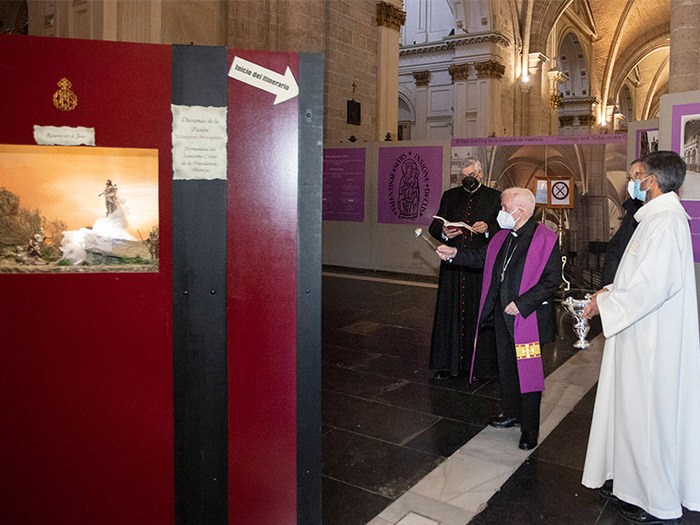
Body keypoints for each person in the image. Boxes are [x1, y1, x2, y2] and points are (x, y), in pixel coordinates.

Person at [581, 151, 700, 524]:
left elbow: (653, 287)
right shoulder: (653, 220)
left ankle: (651, 495)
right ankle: (626, 478)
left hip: (652, 340)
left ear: (653, 180)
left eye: (637, 175)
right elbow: (636, 277)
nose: (633, 181)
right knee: (629, 410)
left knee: (646, 415)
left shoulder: (665, 222)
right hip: (637, 330)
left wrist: (608, 305)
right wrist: (608, 293)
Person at [436, 187, 561, 449]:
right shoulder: (502, 237)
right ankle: (512, 413)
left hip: (527, 319)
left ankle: (529, 429)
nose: (500, 212)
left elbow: (551, 281)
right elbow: (482, 258)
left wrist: (522, 303)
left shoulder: (546, 238)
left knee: (528, 374)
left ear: (520, 211)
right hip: (502, 317)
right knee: (506, 368)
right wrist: (455, 254)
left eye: (504, 208)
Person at [428, 158, 501, 380]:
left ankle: (478, 367)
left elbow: (503, 228)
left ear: (480, 175)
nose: (467, 180)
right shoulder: (450, 196)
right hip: (453, 267)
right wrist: (444, 232)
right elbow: (434, 225)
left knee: (477, 315)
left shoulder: (494, 197)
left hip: (478, 267)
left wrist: (488, 228)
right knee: (449, 315)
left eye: (472, 176)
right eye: (463, 177)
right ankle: (448, 365)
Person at [601, 159, 645, 286]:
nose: (632, 182)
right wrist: (609, 286)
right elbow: (615, 248)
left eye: (637, 176)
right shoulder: (631, 212)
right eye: (630, 178)